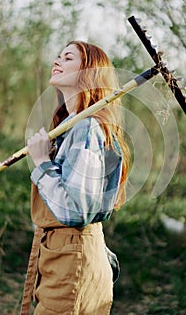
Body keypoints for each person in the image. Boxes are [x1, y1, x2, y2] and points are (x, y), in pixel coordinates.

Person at [24, 41, 130, 314]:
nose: (57, 61)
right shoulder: (72, 128)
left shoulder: (87, 127)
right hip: (61, 255)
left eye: (68, 57)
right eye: (58, 56)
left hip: (74, 257)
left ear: (88, 72)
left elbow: (75, 209)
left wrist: (41, 163)